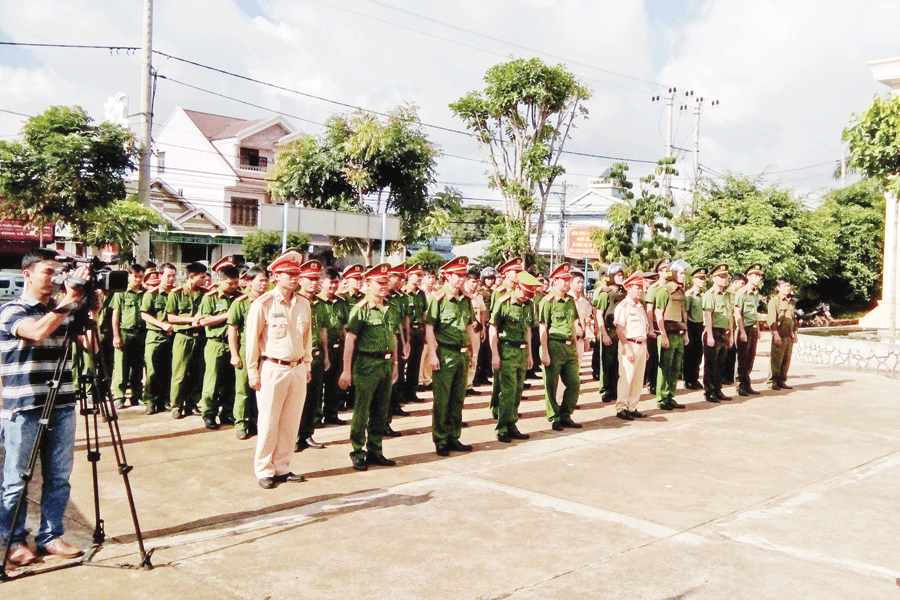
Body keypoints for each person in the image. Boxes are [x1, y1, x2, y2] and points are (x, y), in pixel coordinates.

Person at [0, 250, 91, 566]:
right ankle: (13, 541)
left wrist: (89, 305)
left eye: (58, 272)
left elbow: (91, 346)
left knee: (59, 477)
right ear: (27, 273)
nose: (54, 279)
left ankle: (51, 536)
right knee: (17, 478)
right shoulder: (12, 309)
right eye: (48, 272)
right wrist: (68, 304)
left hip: (62, 404)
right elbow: (37, 332)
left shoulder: (61, 310)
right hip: (24, 406)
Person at [245, 251, 313, 489]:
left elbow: (307, 337)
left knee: (290, 421)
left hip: (296, 367)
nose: (295, 278)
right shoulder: (263, 303)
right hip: (272, 367)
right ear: (276, 276)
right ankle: (264, 469)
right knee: (268, 421)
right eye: (289, 274)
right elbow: (252, 340)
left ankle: (282, 467)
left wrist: (307, 364)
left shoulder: (304, 303)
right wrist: (252, 370)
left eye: (297, 274)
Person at [339, 263, 400, 471]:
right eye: (379, 282)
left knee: (381, 411)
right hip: (366, 363)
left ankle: (376, 450)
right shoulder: (361, 309)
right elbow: (350, 340)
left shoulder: (391, 308)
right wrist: (346, 370)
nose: (384, 286)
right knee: (362, 411)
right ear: (368, 283)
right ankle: (357, 451)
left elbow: (393, 336)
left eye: (386, 282)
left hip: (386, 362)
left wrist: (396, 364)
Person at [425, 256, 478, 456]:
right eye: (458, 275)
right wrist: (432, 353)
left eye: (464, 275)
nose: (462, 279)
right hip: (445, 353)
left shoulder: (466, 301)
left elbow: (470, 328)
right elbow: (429, 327)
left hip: (462, 354)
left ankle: (454, 436)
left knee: (458, 398)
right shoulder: (438, 299)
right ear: (447, 276)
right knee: (442, 399)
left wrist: (474, 354)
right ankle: (440, 438)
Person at [488, 271, 538, 442]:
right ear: (518, 287)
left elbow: (529, 331)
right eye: (526, 292)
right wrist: (495, 354)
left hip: (522, 352)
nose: (528, 296)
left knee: (517, 391)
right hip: (507, 350)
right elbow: (492, 327)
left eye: (531, 294)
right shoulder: (504, 303)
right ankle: (502, 427)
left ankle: (512, 425)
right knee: (507, 392)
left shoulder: (529, 305)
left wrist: (530, 354)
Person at [198, 259, 242, 430]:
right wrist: (227, 316)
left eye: (236, 283)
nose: (233, 286)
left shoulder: (241, 297)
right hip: (216, 343)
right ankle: (209, 414)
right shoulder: (211, 297)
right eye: (230, 283)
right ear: (221, 281)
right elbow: (204, 320)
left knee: (232, 382)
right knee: (212, 382)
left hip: (236, 345)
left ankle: (228, 412)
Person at [539, 262, 582, 431]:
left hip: (569, 346)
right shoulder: (547, 301)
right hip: (554, 345)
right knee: (551, 384)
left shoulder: (570, 301)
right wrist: (545, 352)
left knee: (574, 382)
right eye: (563, 279)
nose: (566, 282)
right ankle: (554, 416)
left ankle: (566, 414)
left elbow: (573, 323)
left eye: (567, 279)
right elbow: (543, 327)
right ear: (555, 281)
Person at [228, 265, 268, 440]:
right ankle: (241, 424)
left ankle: (255, 422)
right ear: (249, 282)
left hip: (265, 352)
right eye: (260, 280)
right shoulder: (241, 302)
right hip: (246, 351)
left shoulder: (269, 300)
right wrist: (234, 354)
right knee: (243, 389)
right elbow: (233, 330)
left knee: (261, 390)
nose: (264, 284)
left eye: (266, 280)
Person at [166, 262, 208, 419]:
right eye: (202, 277)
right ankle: (176, 405)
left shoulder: (205, 294)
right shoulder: (176, 294)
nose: (205, 280)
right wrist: (190, 320)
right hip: (183, 337)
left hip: (201, 337)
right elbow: (170, 316)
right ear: (191, 277)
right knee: (180, 373)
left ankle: (192, 403)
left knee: (198, 372)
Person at [295, 260, 327, 452]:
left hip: (316, 356)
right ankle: (294, 437)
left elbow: (322, 330)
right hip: (299, 358)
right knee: (297, 400)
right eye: (310, 279)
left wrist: (327, 356)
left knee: (313, 398)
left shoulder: (320, 304)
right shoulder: (295, 301)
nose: (314, 283)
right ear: (300, 280)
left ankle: (307, 435)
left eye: (316, 279)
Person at [488, 259, 524, 419]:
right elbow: (494, 318)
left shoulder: (521, 291)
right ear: (507, 273)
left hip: (517, 340)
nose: (518, 275)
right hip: (503, 340)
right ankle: (497, 407)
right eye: (515, 272)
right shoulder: (500, 292)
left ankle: (508, 410)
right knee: (499, 378)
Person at [314, 267, 349, 426]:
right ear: (322, 283)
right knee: (317, 384)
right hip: (321, 349)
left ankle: (331, 414)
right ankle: (315, 417)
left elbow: (344, 327)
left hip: (337, 347)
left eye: (336, 282)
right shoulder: (316, 302)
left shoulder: (341, 302)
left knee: (334, 384)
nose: (334, 286)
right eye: (331, 283)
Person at [653, 259, 690, 411]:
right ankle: (662, 398)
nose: (684, 276)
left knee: (675, 368)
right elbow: (658, 313)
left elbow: (683, 314)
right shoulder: (664, 290)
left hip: (679, 334)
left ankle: (670, 396)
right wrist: (663, 335)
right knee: (665, 367)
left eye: (684, 273)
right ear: (674, 273)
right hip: (668, 333)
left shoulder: (681, 292)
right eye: (681, 273)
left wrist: (686, 334)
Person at [140, 263, 176, 414]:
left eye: (174, 275)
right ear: (160, 276)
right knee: (152, 370)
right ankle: (150, 401)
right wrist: (161, 325)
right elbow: (144, 314)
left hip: (173, 337)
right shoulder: (152, 294)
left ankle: (164, 400)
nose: (171, 279)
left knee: (169, 370)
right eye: (168, 275)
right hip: (155, 336)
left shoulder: (176, 293)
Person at [613, 271, 650, 420]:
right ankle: (622, 407)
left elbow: (643, 329)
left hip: (641, 344)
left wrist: (645, 348)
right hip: (629, 344)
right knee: (626, 378)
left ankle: (632, 406)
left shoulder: (640, 306)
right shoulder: (623, 306)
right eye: (637, 287)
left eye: (641, 287)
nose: (640, 290)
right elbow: (620, 329)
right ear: (628, 288)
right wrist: (627, 348)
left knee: (638, 379)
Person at [110, 263, 145, 409]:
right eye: (135, 276)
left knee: (137, 366)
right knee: (121, 366)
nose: (138, 280)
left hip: (140, 333)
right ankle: (119, 396)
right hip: (125, 332)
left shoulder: (145, 293)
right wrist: (116, 336)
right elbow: (115, 316)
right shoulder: (121, 292)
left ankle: (137, 395)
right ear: (129, 276)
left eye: (140, 277)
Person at [702, 263, 733, 402]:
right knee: (711, 364)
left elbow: (729, 315)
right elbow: (708, 315)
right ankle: (709, 392)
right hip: (713, 332)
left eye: (725, 276)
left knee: (721, 363)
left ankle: (718, 389)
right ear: (713, 278)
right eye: (720, 276)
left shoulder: (727, 295)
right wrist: (709, 334)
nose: (724, 279)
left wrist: (731, 334)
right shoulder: (710, 294)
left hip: (724, 332)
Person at [594, 263, 626, 402]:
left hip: (621, 331)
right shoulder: (605, 293)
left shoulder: (623, 293)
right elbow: (599, 314)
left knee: (619, 363)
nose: (621, 277)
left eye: (622, 275)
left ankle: (615, 389)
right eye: (618, 275)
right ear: (611, 277)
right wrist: (603, 333)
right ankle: (606, 390)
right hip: (609, 330)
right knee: (607, 363)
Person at [734, 265, 764, 396]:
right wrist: (742, 331)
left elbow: (754, 312)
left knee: (750, 358)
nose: (758, 278)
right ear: (748, 277)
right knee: (742, 359)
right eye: (755, 275)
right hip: (744, 327)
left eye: (759, 275)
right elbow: (737, 312)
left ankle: (747, 384)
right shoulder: (742, 292)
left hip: (753, 327)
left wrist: (758, 329)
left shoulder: (755, 294)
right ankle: (740, 385)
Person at [643, 258, 670, 395]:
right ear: (659, 272)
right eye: (664, 269)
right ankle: (651, 383)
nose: (667, 272)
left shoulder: (671, 287)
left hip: (669, 326)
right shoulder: (653, 288)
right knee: (653, 357)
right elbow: (649, 309)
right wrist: (650, 328)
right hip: (656, 326)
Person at [402, 264, 427, 403]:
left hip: (419, 331)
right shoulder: (404, 293)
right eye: (416, 275)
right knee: (404, 363)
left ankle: (412, 392)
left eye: (420, 275)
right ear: (409, 276)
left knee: (416, 362)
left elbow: (423, 313)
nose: (419, 278)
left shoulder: (421, 294)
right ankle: (401, 393)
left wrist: (424, 331)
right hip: (408, 331)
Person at [767, 279, 797, 390]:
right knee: (776, 359)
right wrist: (775, 334)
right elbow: (771, 318)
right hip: (779, 334)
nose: (788, 288)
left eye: (789, 286)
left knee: (786, 359)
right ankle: (773, 381)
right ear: (778, 288)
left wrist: (795, 333)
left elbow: (793, 319)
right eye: (785, 286)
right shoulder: (775, 301)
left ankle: (782, 380)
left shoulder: (791, 302)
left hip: (789, 335)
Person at [682, 267, 707, 390]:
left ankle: (695, 377)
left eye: (704, 278)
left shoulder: (703, 295)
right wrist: (686, 330)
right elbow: (685, 313)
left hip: (700, 326)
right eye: (700, 278)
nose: (702, 281)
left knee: (698, 353)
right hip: (691, 325)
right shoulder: (689, 295)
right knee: (690, 354)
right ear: (693, 279)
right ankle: (688, 379)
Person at [721, 273, 746, 385]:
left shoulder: (740, 294)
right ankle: (723, 377)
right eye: (742, 283)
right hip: (728, 326)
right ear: (735, 282)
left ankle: (729, 377)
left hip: (736, 326)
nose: (743, 285)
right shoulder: (727, 294)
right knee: (726, 352)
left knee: (733, 353)